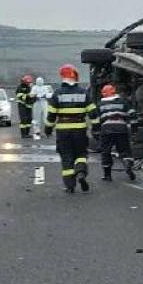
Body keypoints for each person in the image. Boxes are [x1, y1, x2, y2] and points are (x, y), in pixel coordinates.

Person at [45, 64, 98, 192]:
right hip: (79, 130)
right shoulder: (83, 93)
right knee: (81, 153)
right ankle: (80, 172)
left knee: (67, 156)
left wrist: (48, 129)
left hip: (63, 131)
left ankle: (70, 186)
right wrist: (96, 128)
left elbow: (51, 114)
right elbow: (93, 113)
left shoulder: (57, 94)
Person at [96, 84, 135, 181]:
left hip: (107, 129)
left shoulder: (100, 104)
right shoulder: (123, 101)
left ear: (103, 94)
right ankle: (127, 162)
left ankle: (107, 175)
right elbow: (132, 113)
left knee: (106, 152)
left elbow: (96, 119)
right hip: (121, 128)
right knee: (124, 150)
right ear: (114, 92)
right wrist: (134, 127)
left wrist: (96, 130)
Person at [14, 74, 35, 141]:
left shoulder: (30, 87)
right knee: (23, 119)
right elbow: (19, 96)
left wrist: (34, 98)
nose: (29, 83)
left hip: (29, 105)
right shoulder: (20, 87)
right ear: (24, 81)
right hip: (22, 105)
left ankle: (27, 133)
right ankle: (23, 134)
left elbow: (33, 96)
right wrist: (29, 96)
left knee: (29, 119)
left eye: (30, 82)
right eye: (28, 82)